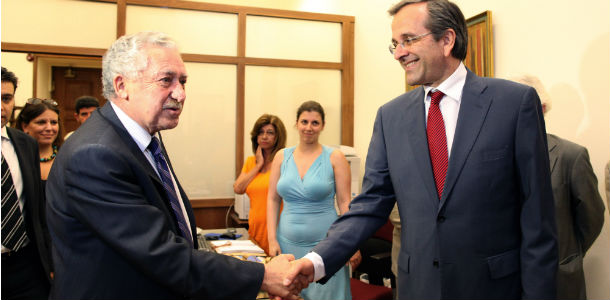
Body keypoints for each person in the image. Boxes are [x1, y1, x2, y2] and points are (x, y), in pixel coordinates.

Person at [285, 1, 557, 299]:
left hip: (493, 288)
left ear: (447, 40)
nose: (399, 53)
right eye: (395, 44)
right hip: (418, 288)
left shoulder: (513, 104)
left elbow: (538, 219)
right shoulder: (391, 117)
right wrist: (316, 261)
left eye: (408, 40)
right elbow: (370, 204)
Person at [45, 32, 302, 299]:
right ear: (122, 86)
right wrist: (263, 275)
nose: (180, 94)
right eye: (166, 80)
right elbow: (158, 252)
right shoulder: (96, 154)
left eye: (183, 81)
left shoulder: (145, 138)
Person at [514, 75, 605, 300]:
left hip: (559, 281)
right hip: (509, 283)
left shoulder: (571, 156)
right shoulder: (496, 160)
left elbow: (591, 219)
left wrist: (568, 256)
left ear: (542, 108)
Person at [267, 101, 360, 300]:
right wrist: (272, 238)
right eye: (304, 122)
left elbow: (345, 203)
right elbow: (273, 199)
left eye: (315, 123)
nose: (309, 127)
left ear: (323, 126)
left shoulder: (335, 158)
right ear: (296, 124)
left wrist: (352, 243)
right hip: (287, 245)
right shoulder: (281, 157)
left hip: (326, 248)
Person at [1, 67, 53, 299]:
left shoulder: (25, 144)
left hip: (25, 265)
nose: (2, 106)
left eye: (6, 98)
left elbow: (37, 211)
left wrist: (50, 260)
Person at [234, 114, 287, 255]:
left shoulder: (285, 162)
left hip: (278, 235)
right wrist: (259, 165)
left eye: (270, 133)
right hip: (255, 233)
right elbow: (238, 188)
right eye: (261, 132)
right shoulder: (251, 162)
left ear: (278, 137)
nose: (264, 136)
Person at [16, 98, 63, 181]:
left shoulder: (67, 158)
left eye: (53, 122)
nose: (49, 128)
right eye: (41, 122)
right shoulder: (14, 158)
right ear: (25, 126)